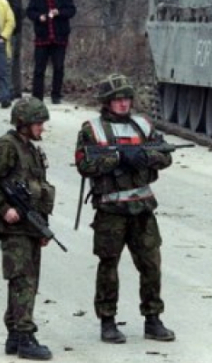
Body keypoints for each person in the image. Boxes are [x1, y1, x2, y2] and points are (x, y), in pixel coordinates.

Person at [74, 74, 175, 344]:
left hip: (142, 208)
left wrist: (143, 156)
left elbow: (165, 155)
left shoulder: (143, 126)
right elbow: (85, 164)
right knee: (109, 266)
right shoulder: (92, 130)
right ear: (107, 103)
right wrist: (118, 157)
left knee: (151, 264)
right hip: (111, 209)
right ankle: (108, 321)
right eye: (117, 99)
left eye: (126, 98)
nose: (123, 103)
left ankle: (153, 319)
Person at [0, 98, 56, 360]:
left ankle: (14, 334)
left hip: (30, 226)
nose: (42, 128)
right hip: (15, 228)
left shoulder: (29, 149)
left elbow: (38, 189)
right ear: (24, 124)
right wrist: (3, 208)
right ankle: (24, 337)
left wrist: (43, 228)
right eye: (38, 123)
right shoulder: (6, 148)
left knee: (25, 280)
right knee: (23, 279)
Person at [26, 0, 76, 104]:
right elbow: (29, 11)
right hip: (42, 36)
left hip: (59, 36)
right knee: (39, 68)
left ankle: (56, 95)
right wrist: (39, 17)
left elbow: (72, 10)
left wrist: (59, 12)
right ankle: (37, 96)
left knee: (59, 67)